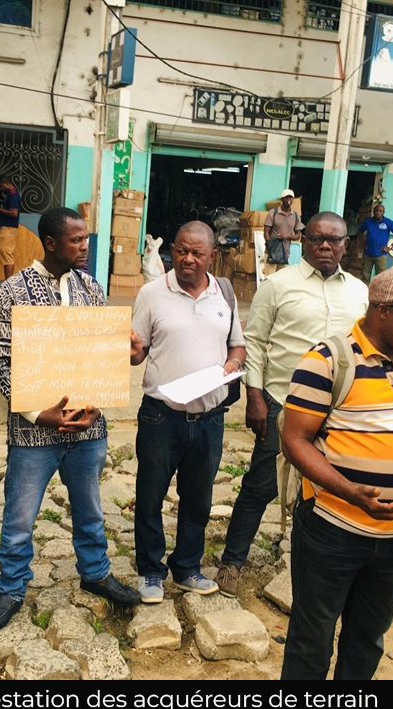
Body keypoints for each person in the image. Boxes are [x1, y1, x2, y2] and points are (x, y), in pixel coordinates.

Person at [280, 266, 393, 680]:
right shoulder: (327, 362)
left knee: (368, 638)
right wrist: (351, 492)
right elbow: (295, 441)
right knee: (312, 639)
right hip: (332, 530)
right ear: (382, 311)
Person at [0, 206, 139, 632]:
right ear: (51, 243)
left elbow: (102, 357)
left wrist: (112, 380)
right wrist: (40, 414)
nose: (86, 246)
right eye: (77, 240)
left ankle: (96, 572)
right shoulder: (14, 290)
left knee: (90, 508)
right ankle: (11, 587)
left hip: (88, 428)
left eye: (86, 238)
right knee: (20, 516)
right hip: (34, 433)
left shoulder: (91, 288)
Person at [215, 212, 367, 598]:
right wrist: (255, 396)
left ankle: (310, 561)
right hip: (283, 404)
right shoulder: (278, 285)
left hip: (340, 411)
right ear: (304, 240)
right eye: (317, 239)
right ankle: (232, 561)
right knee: (261, 484)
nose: (326, 246)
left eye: (334, 240)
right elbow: (255, 342)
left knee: (325, 488)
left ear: (346, 244)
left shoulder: (359, 292)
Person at [130, 221, 246, 602]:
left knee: (198, 499)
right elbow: (138, 352)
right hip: (161, 416)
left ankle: (187, 568)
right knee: (150, 495)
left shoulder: (224, 294)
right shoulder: (151, 293)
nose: (188, 259)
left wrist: (233, 364)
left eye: (197, 253)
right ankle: (150, 571)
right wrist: (132, 351)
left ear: (212, 256)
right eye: (181, 250)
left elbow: (237, 346)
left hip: (210, 418)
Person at [357, 203, 393, 283]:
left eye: (380, 211)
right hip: (368, 254)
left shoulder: (388, 222)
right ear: (373, 212)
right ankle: (365, 290)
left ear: (383, 212)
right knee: (365, 277)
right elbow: (360, 232)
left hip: (381, 254)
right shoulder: (368, 222)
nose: (378, 212)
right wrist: (363, 244)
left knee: (381, 278)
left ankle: (377, 291)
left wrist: (390, 247)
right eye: (376, 211)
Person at [263, 189, 305, 273]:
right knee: (269, 277)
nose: (289, 199)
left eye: (290, 198)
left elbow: (298, 236)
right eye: (286, 197)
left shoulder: (295, 215)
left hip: (285, 253)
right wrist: (270, 245)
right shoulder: (273, 213)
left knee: (281, 278)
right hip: (272, 252)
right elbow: (266, 232)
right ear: (282, 199)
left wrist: (287, 236)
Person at [0, 178, 21, 279]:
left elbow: (14, 213)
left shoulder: (13, 194)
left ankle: (9, 282)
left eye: (1, 186)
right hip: (6, 228)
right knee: (6, 255)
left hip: (8, 228)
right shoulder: (10, 194)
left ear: (6, 183)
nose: (1, 189)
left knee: (7, 256)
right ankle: (8, 282)